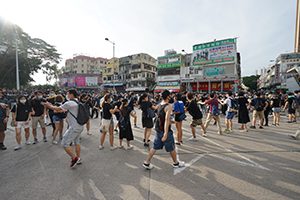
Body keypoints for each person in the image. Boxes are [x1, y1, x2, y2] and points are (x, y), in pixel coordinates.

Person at [143, 90, 185, 170]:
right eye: (170, 95)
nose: (171, 97)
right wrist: (166, 133)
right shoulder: (168, 107)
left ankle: (147, 162)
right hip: (165, 131)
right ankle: (176, 163)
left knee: (154, 147)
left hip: (159, 130)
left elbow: (161, 117)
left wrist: (170, 120)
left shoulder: (159, 105)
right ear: (168, 96)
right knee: (171, 147)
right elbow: (165, 119)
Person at [42, 89, 83, 168]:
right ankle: (79, 158)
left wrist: (49, 106)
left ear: (71, 95)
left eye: (68, 94)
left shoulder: (70, 103)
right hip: (80, 126)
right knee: (77, 142)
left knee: (64, 143)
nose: (67, 96)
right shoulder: (78, 102)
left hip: (74, 127)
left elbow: (58, 109)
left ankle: (75, 158)